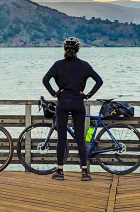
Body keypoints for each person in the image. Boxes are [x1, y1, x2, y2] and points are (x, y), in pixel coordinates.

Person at [42, 37, 103, 181]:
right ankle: (84, 173)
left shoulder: (58, 65)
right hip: (78, 102)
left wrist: (54, 93)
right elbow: (99, 81)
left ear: (64, 50)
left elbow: (45, 80)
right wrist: (88, 95)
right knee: (80, 138)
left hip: (62, 102)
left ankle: (60, 172)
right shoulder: (84, 65)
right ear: (77, 50)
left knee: (61, 138)